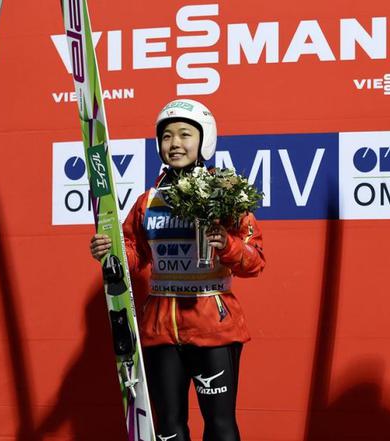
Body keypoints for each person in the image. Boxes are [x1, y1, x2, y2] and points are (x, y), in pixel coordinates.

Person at [89, 99, 265, 441]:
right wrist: (109, 251)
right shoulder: (148, 200)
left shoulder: (226, 195)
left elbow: (255, 260)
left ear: (205, 141)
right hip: (159, 330)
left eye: (185, 134)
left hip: (212, 327)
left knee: (220, 428)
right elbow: (134, 254)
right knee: (168, 429)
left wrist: (226, 244)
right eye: (167, 136)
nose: (175, 144)